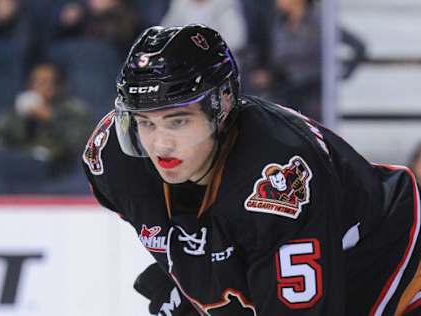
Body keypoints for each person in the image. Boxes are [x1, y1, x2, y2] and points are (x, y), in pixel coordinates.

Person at [83, 24, 421, 315]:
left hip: (391, 260)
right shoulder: (114, 158)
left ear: (223, 104)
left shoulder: (277, 182)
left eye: (178, 120)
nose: (160, 145)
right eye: (145, 123)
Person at [0, 62, 92, 184]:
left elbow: (78, 144)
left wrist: (49, 118)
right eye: (35, 82)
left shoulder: (74, 111)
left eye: (45, 82)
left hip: (54, 172)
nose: (39, 87)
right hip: (15, 169)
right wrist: (3, 151)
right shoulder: (19, 110)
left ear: (59, 86)